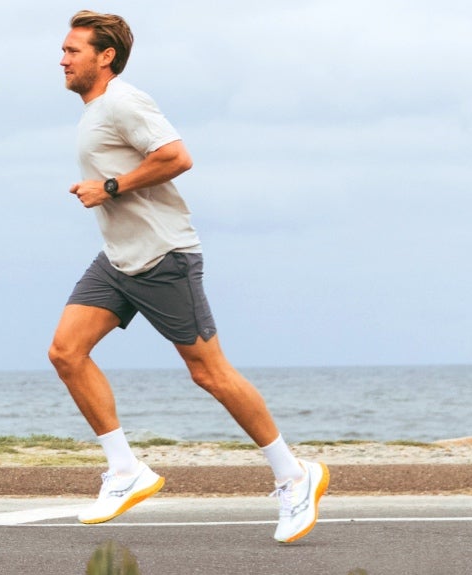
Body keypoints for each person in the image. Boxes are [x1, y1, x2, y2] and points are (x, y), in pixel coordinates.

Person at [46, 11, 329, 542]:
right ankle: (127, 470)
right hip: (119, 259)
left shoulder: (124, 101)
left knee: (209, 373)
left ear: (105, 58)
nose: (62, 59)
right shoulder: (94, 110)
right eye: (63, 50)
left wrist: (108, 188)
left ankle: (294, 475)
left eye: (72, 50)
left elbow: (176, 157)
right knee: (66, 352)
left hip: (162, 256)